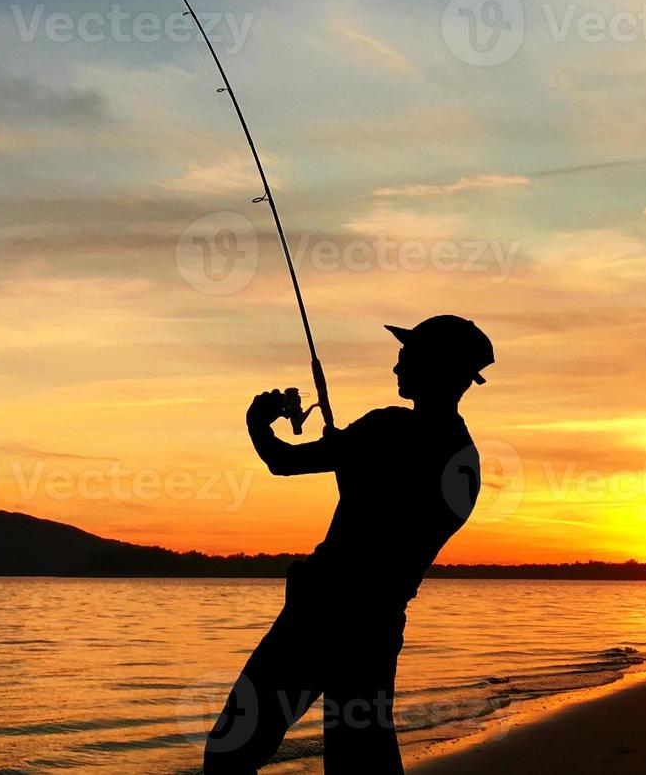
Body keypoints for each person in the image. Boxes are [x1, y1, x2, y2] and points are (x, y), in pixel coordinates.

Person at [203, 315, 495, 774]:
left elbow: (282, 461)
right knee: (361, 761)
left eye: (407, 357)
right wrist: (354, 463)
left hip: (320, 618)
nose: (397, 369)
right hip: (377, 627)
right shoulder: (466, 460)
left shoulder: (388, 429)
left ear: (436, 367)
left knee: (228, 751)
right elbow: (400, 522)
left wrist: (257, 421)